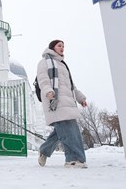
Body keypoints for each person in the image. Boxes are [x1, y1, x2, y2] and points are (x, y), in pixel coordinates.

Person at [36, 39, 88, 168]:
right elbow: (43, 78)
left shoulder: (63, 65)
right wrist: (48, 91)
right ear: (53, 47)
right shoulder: (44, 62)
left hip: (68, 101)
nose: (62, 48)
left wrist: (81, 98)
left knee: (62, 130)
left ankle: (44, 151)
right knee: (70, 130)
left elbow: (71, 85)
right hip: (55, 101)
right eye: (59, 45)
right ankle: (74, 159)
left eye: (63, 46)